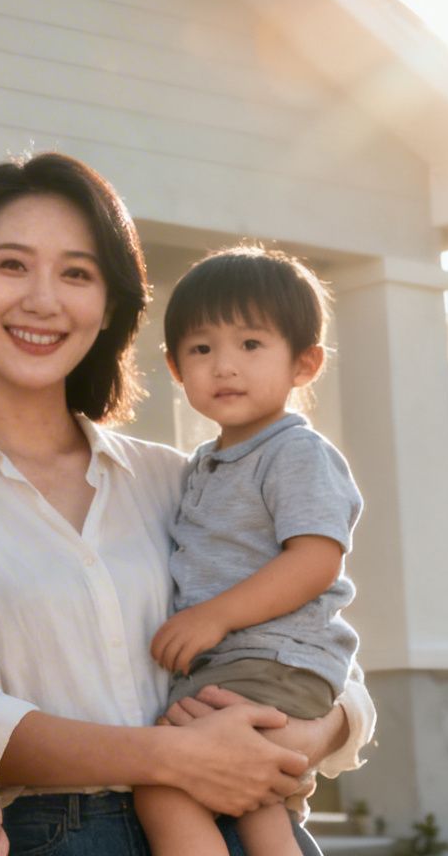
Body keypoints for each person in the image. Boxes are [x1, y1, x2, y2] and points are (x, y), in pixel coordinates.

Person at [0, 153, 374, 856]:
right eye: (12, 265)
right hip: (53, 836)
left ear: (108, 306)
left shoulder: (178, 478)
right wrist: (174, 760)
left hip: (247, 814)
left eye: (76, 273)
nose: (44, 300)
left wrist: (306, 738)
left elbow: (312, 641)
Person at [134, 247, 362, 856]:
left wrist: (214, 616)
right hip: (245, 665)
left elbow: (316, 560)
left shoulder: (295, 453)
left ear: (305, 363)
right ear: (176, 369)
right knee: (260, 807)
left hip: (274, 660)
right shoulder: (207, 463)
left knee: (166, 790)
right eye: (202, 349)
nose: (224, 366)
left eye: (251, 345)